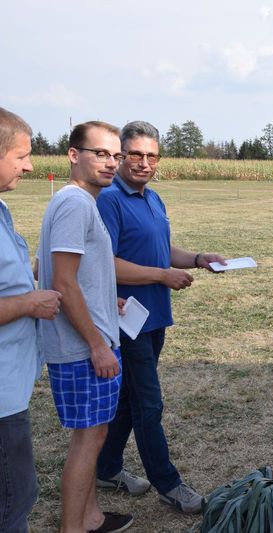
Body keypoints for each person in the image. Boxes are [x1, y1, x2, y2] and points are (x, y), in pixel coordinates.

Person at [95, 121, 226, 514]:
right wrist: (161, 277)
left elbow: (163, 249)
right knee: (149, 404)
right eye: (135, 154)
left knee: (128, 400)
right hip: (126, 321)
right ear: (121, 155)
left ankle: (105, 467)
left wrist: (200, 259)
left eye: (152, 156)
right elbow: (106, 264)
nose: (144, 163)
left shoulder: (153, 199)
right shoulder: (109, 200)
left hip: (154, 319)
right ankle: (168, 484)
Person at [38, 121, 133, 533]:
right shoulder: (76, 203)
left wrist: (101, 298)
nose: (111, 163)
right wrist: (97, 344)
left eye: (116, 155)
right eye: (100, 153)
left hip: (87, 340)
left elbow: (58, 270)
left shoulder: (81, 203)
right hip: (82, 350)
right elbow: (61, 280)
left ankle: (91, 517)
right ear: (74, 155)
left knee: (93, 437)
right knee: (87, 441)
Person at [0, 108, 61, 533]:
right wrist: (27, 304)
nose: (30, 165)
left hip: (11, 388)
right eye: (21, 155)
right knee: (12, 501)